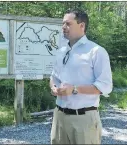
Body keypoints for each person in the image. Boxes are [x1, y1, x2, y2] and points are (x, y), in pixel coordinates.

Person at [49, 8, 113, 144]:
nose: (63, 27)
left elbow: (105, 86)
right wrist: (53, 87)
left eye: (68, 24)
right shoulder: (61, 51)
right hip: (59, 117)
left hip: (83, 119)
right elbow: (54, 77)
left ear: (82, 25)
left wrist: (74, 89)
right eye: (63, 24)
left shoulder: (96, 51)